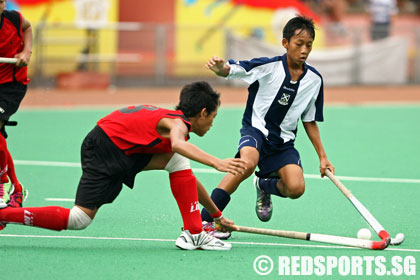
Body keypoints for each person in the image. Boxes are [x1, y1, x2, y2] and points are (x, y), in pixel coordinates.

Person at [0, 81, 247, 250]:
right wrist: (217, 162)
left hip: (120, 148)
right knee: (78, 219)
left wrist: (216, 215)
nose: (212, 124)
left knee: (177, 163)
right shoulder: (177, 125)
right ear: (203, 112)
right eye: (213, 117)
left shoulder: (173, 121)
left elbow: (188, 179)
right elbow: (178, 144)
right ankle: (3, 215)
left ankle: (194, 232)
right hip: (105, 149)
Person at [201, 16, 335, 239]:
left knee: (296, 188)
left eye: (309, 45)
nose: (304, 50)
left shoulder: (314, 80)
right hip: (256, 132)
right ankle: (205, 220)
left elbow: (309, 119)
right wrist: (220, 69)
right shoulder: (268, 67)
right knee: (246, 164)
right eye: (298, 44)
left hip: (282, 143)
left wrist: (323, 156)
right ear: (285, 43)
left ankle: (264, 185)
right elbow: (234, 69)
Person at [0, 0, 32, 208]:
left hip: (11, 86)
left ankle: (2, 189)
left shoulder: (14, 18)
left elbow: (27, 28)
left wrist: (26, 52)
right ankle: (16, 189)